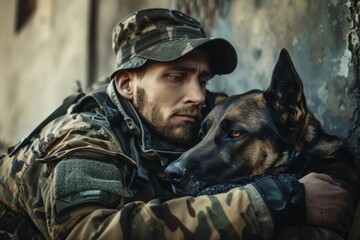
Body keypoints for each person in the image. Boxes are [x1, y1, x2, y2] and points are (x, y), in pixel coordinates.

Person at [0, 8, 355, 240]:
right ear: (127, 85)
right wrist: (279, 200)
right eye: (175, 76)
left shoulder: (183, 114)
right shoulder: (83, 136)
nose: (198, 95)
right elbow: (91, 234)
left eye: (202, 79)